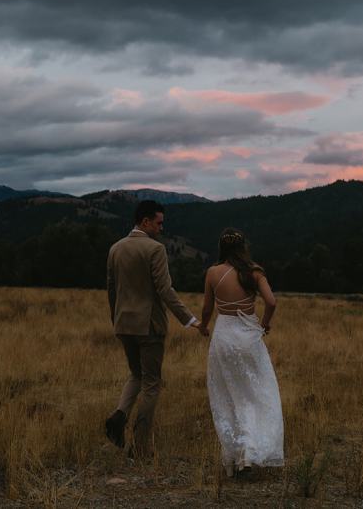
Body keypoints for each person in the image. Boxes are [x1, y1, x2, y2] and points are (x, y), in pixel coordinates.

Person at [104, 200, 203, 458]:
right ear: (145, 222)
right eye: (158, 223)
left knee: (136, 375)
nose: (161, 227)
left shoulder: (116, 248)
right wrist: (189, 319)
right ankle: (140, 446)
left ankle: (119, 417)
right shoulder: (155, 249)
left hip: (123, 324)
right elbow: (164, 289)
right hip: (149, 326)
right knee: (152, 384)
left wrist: (116, 318)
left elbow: (111, 289)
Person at [200, 227, 283, 476]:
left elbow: (207, 308)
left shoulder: (213, 273)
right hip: (248, 335)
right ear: (243, 247)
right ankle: (251, 450)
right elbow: (271, 302)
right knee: (257, 393)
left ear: (221, 249)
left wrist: (203, 326)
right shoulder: (254, 272)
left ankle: (238, 453)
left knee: (230, 395)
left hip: (224, 337)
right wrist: (264, 324)